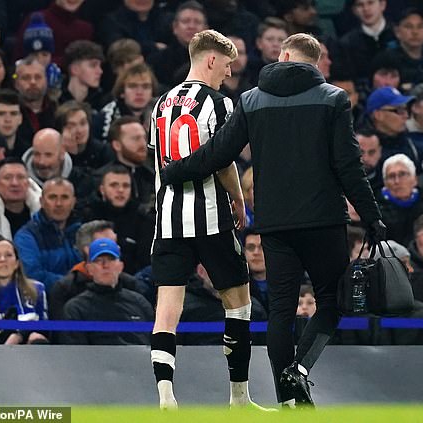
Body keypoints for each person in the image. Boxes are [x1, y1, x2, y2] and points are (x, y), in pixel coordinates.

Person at [159, 33, 385, 408]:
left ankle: (287, 402)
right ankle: (299, 371)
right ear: (315, 63)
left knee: (281, 309)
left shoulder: (251, 100)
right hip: (323, 220)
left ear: (282, 56)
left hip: (275, 225)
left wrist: (176, 171)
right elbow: (348, 165)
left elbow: (220, 152)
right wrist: (373, 215)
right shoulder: (333, 99)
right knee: (331, 301)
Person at [147, 29, 265, 411]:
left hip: (167, 222)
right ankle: (239, 397)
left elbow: (159, 160)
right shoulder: (219, 103)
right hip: (211, 219)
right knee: (238, 304)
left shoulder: (161, 103)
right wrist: (238, 198)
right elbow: (222, 160)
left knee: (166, 313)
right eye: (227, 65)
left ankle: (165, 394)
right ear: (211, 59)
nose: (228, 74)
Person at [49, 220, 152, 322]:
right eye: (107, 243)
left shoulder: (131, 286)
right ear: (88, 250)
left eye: (115, 243)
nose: (117, 248)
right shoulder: (65, 290)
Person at [59, 238, 154, 345]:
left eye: (111, 259)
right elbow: (75, 353)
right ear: (89, 268)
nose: (105, 265)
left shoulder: (139, 302)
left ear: (120, 266)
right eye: (98, 260)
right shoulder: (76, 308)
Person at [14, 177, 81, 291]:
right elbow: (33, 276)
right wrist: (75, 284)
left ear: (73, 202)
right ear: (42, 202)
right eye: (52, 197)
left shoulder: (82, 232)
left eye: (64, 197)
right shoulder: (26, 236)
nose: (59, 203)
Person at [0, 158, 42, 241]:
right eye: (7, 178)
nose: (15, 183)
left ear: (28, 183)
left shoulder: (42, 211)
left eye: (20, 177)